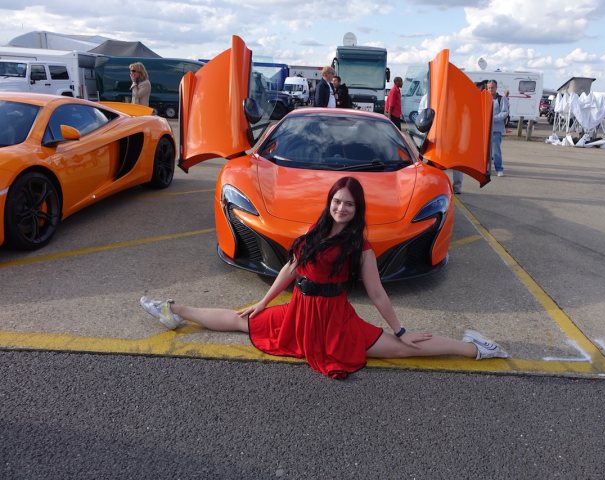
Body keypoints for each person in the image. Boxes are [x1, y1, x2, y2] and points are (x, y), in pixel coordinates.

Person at [139, 176, 508, 379]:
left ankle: (476, 347)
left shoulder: (359, 245)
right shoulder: (315, 232)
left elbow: (377, 293)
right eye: (337, 201)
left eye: (349, 204)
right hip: (300, 312)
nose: (341, 208)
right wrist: (264, 302)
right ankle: (173, 310)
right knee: (242, 320)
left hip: (335, 320)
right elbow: (290, 268)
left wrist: (399, 329)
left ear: (357, 209)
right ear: (329, 201)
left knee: (400, 348)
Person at [452, 81, 489, 194]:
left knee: (459, 164)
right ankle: (452, 187)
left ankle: (457, 187)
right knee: (455, 164)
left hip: (465, 138)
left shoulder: (481, 103)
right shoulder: (464, 101)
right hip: (457, 137)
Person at [487, 80, 509, 176]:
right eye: (489, 88)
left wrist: (493, 118)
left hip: (496, 130)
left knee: (496, 151)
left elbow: (505, 112)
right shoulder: (484, 98)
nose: (490, 89)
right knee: (486, 152)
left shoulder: (502, 99)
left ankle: (499, 169)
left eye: (492, 87)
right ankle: (486, 168)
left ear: (496, 88)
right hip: (485, 130)